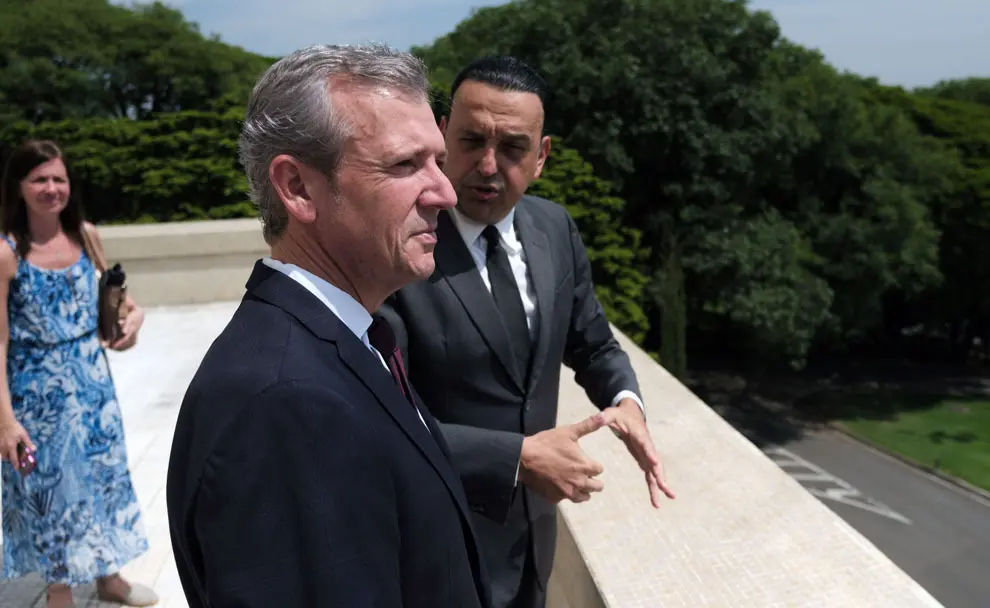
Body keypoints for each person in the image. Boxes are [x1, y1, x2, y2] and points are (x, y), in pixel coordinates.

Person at [165, 44, 492, 608]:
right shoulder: (285, 403)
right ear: (296, 187)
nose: (445, 192)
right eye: (405, 164)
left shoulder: (349, 341)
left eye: (438, 161)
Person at [378, 56, 676, 608]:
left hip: (533, 542)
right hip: (435, 548)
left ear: (541, 157)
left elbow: (593, 342)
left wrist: (626, 399)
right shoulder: (400, 246)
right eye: (471, 141)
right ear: (443, 135)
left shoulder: (554, 227)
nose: (488, 166)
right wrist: (517, 457)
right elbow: (381, 415)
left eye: (513, 148)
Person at [0, 140, 157, 608]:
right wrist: (5, 419)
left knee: (105, 476)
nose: (51, 188)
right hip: (36, 392)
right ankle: (60, 592)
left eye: (58, 179)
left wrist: (135, 317)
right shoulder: (7, 253)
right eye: (39, 179)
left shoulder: (86, 235)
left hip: (92, 382)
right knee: (51, 492)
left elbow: (116, 297)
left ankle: (109, 576)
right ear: (19, 187)